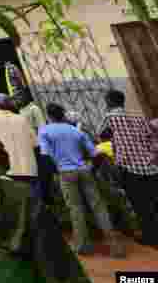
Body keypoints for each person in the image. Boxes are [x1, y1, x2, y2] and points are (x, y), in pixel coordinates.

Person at [0, 130, 91, 283]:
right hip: (18, 272)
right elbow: (49, 248)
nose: (7, 153)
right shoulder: (23, 193)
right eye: (2, 148)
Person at [38, 103, 123, 257]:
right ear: (62, 114)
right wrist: (90, 167)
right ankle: (115, 246)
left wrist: (56, 171)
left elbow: (44, 155)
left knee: (76, 208)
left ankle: (83, 245)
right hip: (84, 170)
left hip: (65, 172)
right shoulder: (75, 131)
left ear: (49, 115)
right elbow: (95, 153)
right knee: (98, 206)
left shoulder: (45, 131)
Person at [100, 89, 158, 247]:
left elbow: (101, 135)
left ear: (110, 102)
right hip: (151, 167)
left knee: (141, 205)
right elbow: (151, 137)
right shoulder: (138, 116)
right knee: (154, 202)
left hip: (130, 169)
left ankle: (151, 237)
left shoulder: (110, 117)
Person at [0, 94, 38, 192]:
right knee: (32, 200)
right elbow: (34, 143)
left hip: (6, 170)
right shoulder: (21, 119)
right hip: (27, 168)